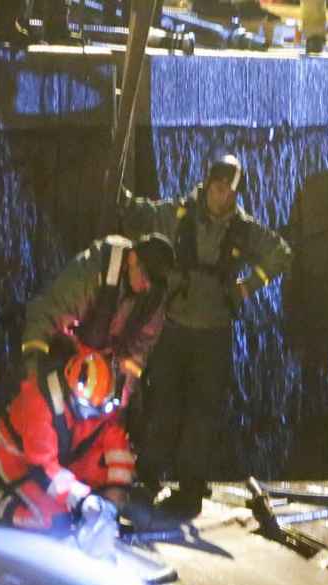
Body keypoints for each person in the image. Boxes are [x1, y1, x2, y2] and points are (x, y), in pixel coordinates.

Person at [121, 153, 293, 518]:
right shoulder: (181, 215)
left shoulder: (243, 229)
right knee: (163, 403)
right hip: (175, 328)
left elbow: (280, 254)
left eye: (229, 192)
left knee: (202, 414)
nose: (222, 198)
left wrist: (248, 286)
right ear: (207, 185)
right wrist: (119, 196)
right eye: (217, 189)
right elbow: (146, 215)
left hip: (214, 335)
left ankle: (190, 488)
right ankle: (148, 476)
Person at [0, 340, 132, 539]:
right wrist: (82, 498)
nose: (92, 415)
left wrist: (114, 496)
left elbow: (114, 439)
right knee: (55, 521)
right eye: (88, 409)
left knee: (79, 509)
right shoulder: (39, 403)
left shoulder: (96, 398)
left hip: (52, 462)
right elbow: (43, 469)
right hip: (14, 460)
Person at [20, 232, 176, 411]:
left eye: (153, 283)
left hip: (103, 374)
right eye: (145, 276)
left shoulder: (153, 297)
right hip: (67, 358)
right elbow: (47, 315)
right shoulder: (91, 272)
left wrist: (120, 396)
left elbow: (137, 354)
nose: (146, 286)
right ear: (132, 259)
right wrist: (33, 374)